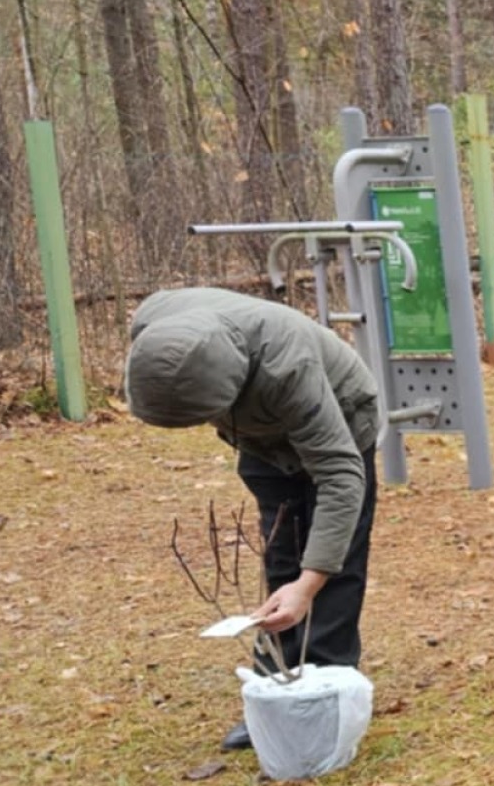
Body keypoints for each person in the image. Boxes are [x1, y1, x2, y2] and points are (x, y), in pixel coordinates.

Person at [124, 287, 380, 752]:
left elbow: (341, 475)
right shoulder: (154, 325)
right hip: (261, 437)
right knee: (283, 547)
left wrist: (309, 584)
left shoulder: (288, 368)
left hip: (339, 417)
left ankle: (326, 692)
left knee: (332, 565)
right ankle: (279, 685)